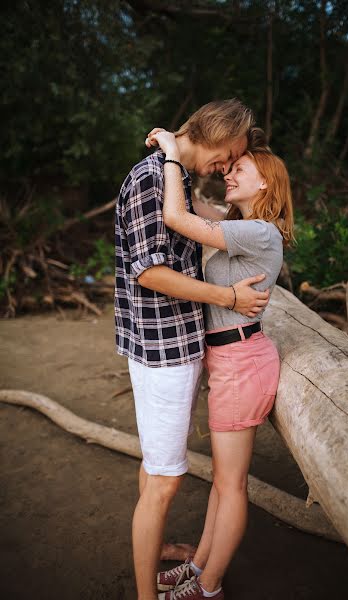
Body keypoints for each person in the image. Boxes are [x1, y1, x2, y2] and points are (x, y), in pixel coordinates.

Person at [114, 99, 271, 600]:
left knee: (155, 468)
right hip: (163, 352)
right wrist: (229, 297)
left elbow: (195, 224)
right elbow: (151, 272)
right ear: (218, 133)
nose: (226, 167)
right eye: (230, 156)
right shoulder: (151, 179)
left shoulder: (172, 176)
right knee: (164, 481)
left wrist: (175, 160)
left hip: (176, 347)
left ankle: (155, 546)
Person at [149, 127, 294, 599]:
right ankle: (198, 565)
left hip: (241, 362)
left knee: (230, 487)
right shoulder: (242, 223)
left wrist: (172, 153)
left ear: (266, 183)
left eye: (239, 169)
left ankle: (208, 588)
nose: (228, 174)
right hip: (230, 360)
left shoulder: (258, 231)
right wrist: (189, 153)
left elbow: (175, 216)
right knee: (221, 481)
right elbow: (193, 206)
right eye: (228, 167)